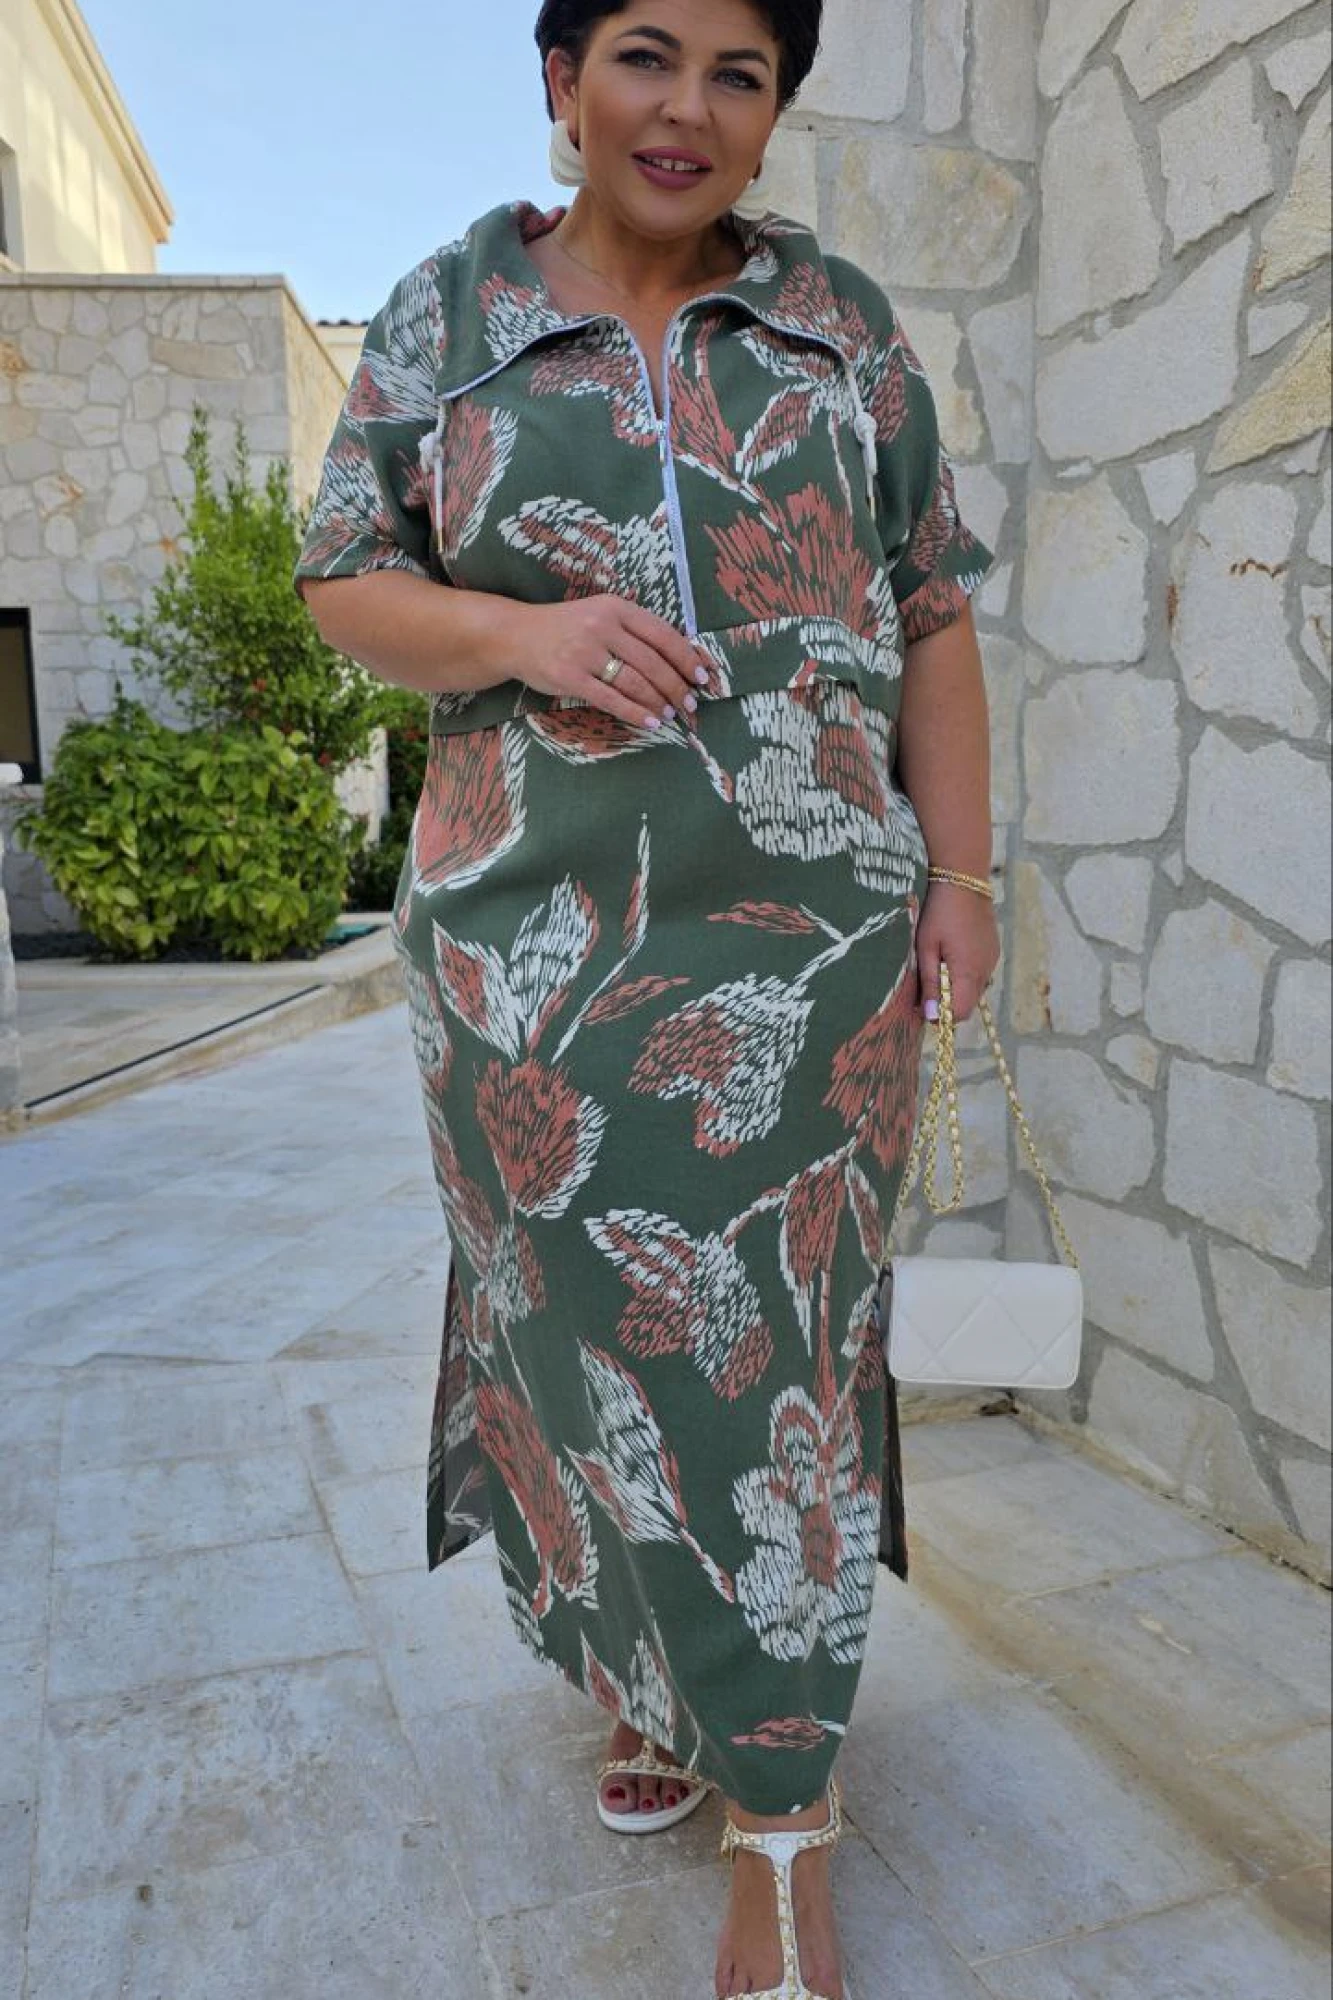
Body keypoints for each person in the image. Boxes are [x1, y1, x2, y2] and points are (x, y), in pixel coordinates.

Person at [297, 3, 1000, 1993]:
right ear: (560, 79)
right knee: (582, 1342)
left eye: (739, 73)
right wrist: (520, 632)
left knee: (784, 1350)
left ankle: (782, 1812)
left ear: (778, 110)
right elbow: (344, 579)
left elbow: (933, 610)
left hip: (817, 955)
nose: (687, 109)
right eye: (643, 53)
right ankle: (646, 1669)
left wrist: (962, 879)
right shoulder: (447, 315)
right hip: (529, 961)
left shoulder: (842, 329)